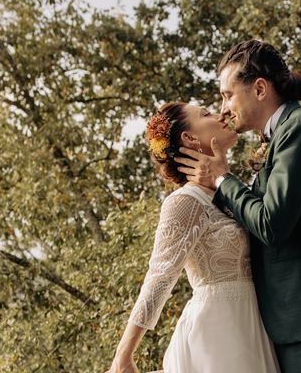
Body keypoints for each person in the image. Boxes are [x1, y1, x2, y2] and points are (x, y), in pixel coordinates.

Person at [176, 39, 301, 373]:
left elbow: (271, 223)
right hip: (299, 317)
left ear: (260, 88)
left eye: (227, 94)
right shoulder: (284, 133)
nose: (222, 109)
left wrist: (223, 179)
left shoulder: (299, 131)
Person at [107, 101, 280, 373]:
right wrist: (123, 357)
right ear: (190, 138)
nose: (221, 113)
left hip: (253, 328)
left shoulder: (231, 193)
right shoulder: (184, 201)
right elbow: (159, 277)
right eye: (206, 114)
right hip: (215, 335)